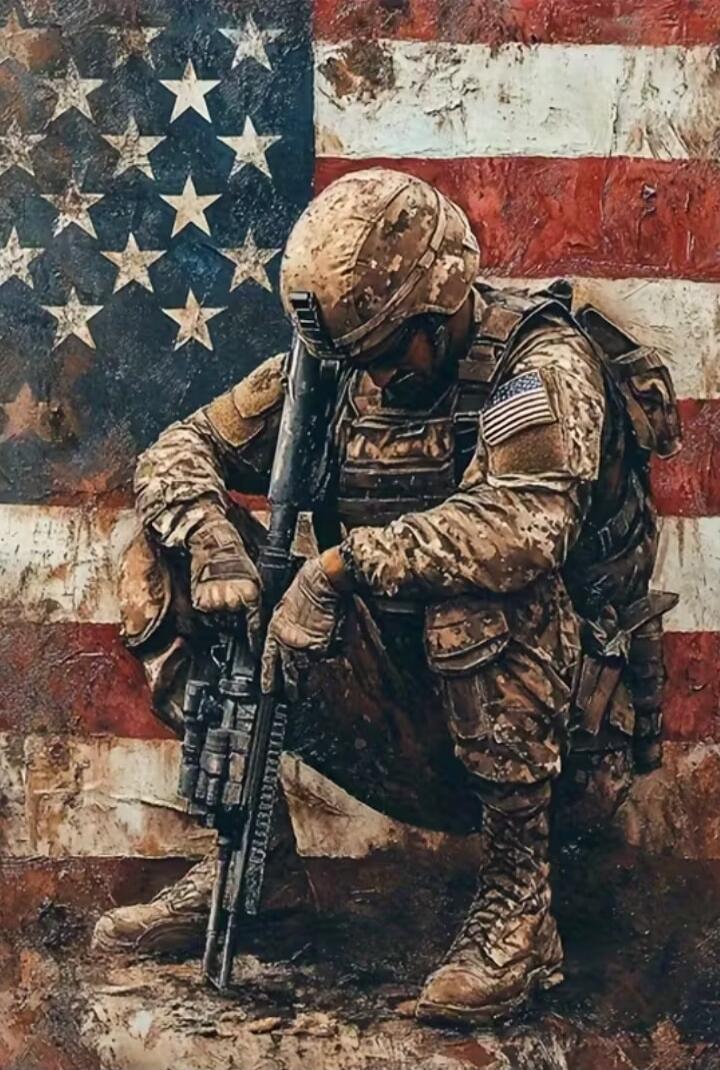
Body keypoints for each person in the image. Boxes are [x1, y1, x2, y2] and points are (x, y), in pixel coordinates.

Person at [92, 168, 679, 1026]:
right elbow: (180, 449)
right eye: (351, 356)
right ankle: (258, 871)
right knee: (159, 550)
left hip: (560, 746)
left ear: (439, 311)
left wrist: (338, 570)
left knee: (474, 594)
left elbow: (521, 530)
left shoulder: (540, 366)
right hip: (399, 714)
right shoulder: (337, 365)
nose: (366, 374)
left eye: (384, 349)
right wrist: (215, 544)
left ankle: (521, 909)